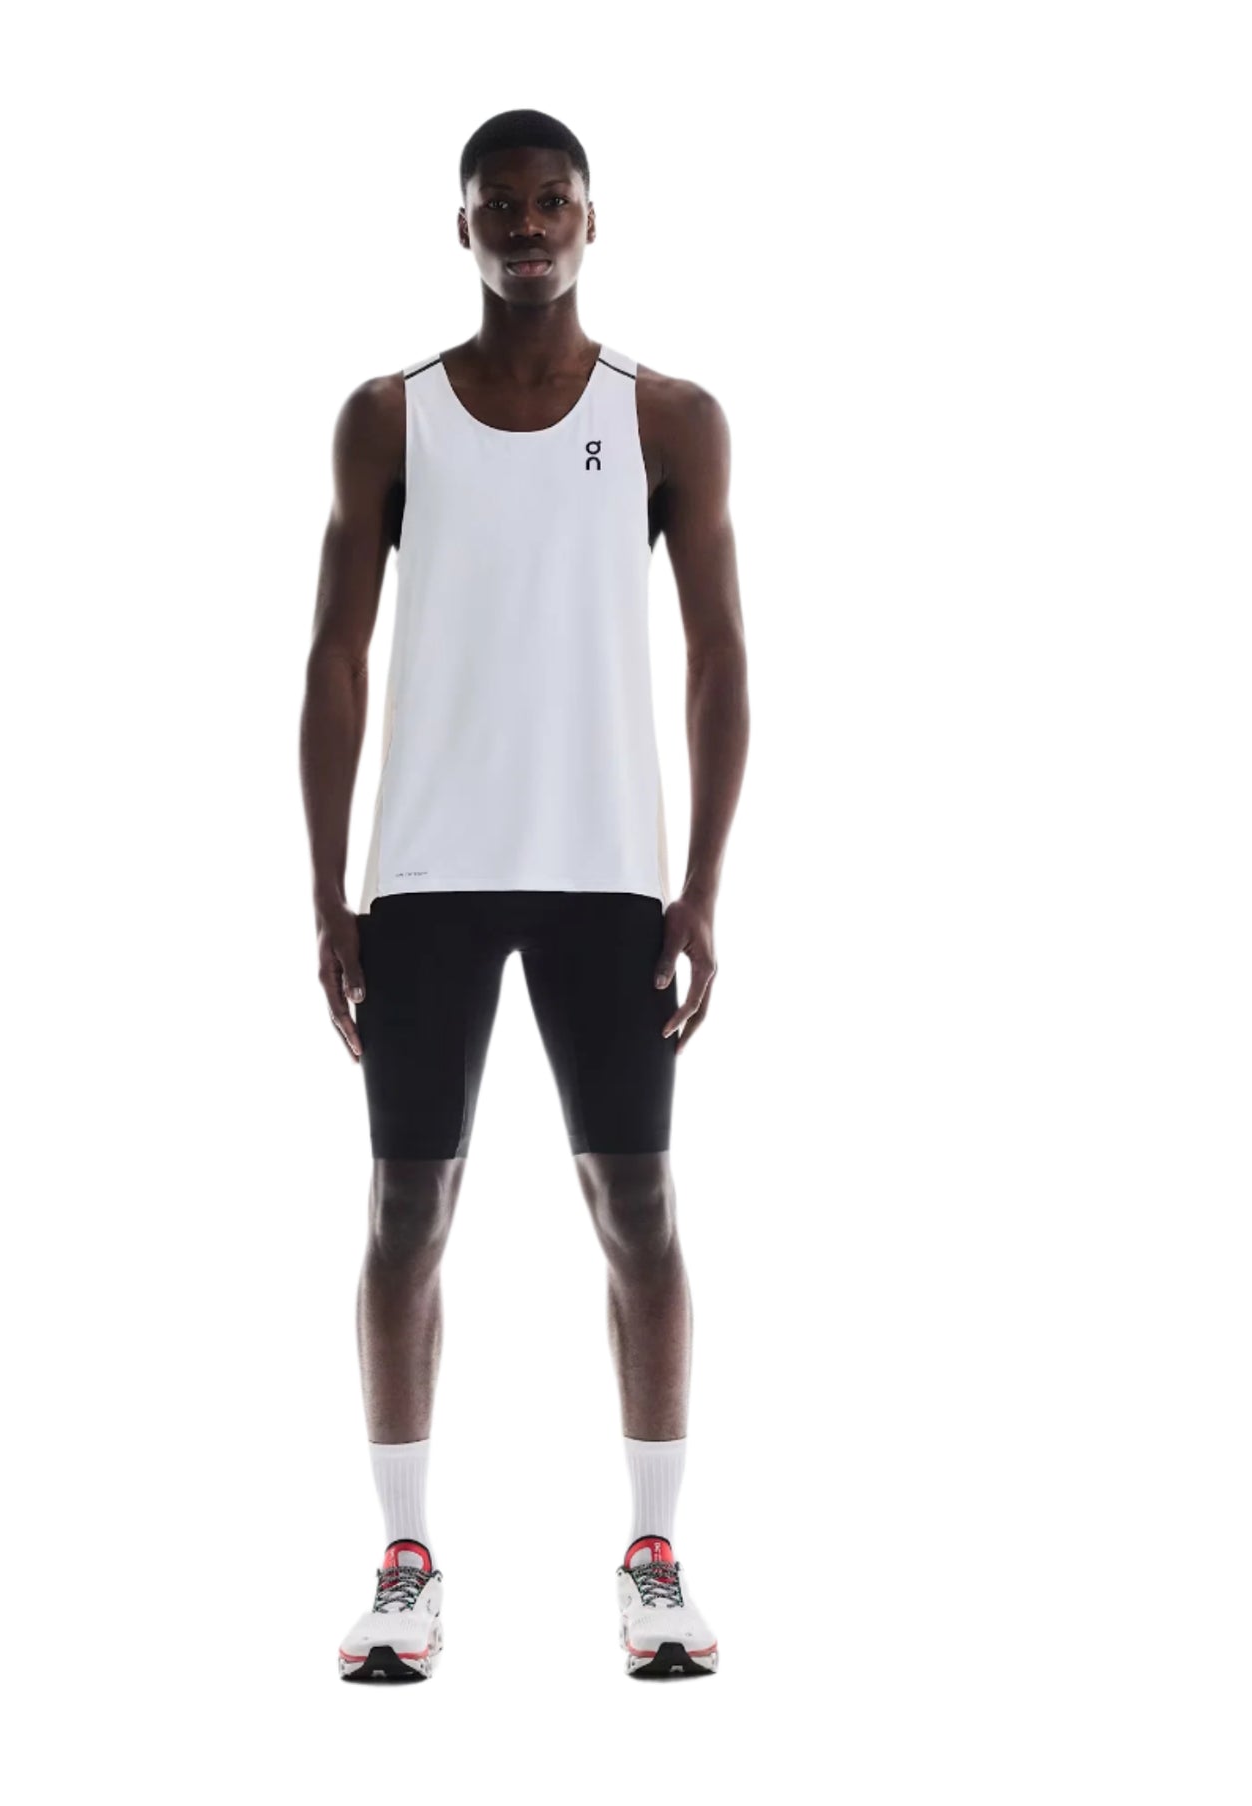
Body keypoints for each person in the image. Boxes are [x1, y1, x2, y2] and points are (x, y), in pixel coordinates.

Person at [300, 108, 749, 1680]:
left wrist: (699, 885)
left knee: (638, 1204)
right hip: (426, 871)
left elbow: (718, 657)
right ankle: (404, 1560)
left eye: (553, 201)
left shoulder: (665, 418)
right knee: (403, 1209)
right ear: (463, 226)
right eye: (500, 205)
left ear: (590, 219)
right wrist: (327, 894)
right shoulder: (388, 418)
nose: (529, 226)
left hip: (604, 872)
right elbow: (334, 657)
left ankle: (653, 1557)